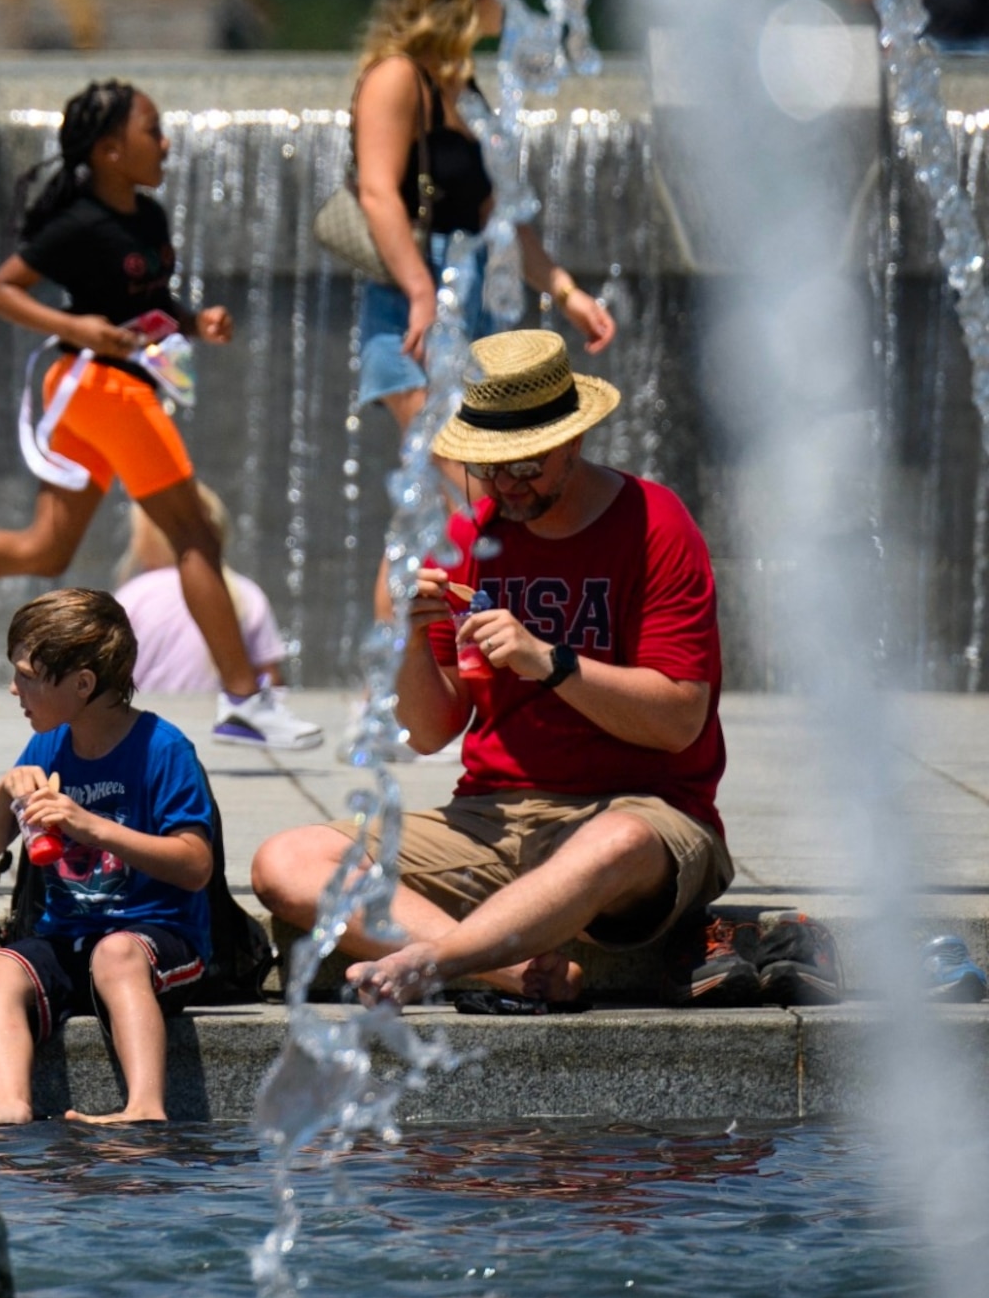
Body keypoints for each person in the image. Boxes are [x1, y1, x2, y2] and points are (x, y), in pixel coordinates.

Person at [0, 78, 322, 752]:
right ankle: (243, 699)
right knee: (195, 535)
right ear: (111, 149)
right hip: (100, 387)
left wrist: (196, 322)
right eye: (152, 130)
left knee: (46, 547)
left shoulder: (148, 216)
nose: (165, 142)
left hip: (98, 390)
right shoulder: (78, 221)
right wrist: (78, 327)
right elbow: (3, 292)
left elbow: (148, 302)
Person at [249, 331, 731, 1009]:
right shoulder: (471, 539)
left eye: (524, 466)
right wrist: (412, 641)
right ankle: (513, 971)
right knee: (286, 862)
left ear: (573, 440)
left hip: (645, 812)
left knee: (614, 842)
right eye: (489, 466)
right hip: (493, 817)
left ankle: (433, 961)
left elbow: (679, 720)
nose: (504, 484)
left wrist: (551, 662)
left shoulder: (656, 524)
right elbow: (428, 733)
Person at [349, 0, 617, 617]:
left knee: (431, 504)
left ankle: (393, 684)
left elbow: (507, 217)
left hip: (463, 310)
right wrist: (417, 293)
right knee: (468, 485)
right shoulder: (396, 77)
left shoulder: (464, 91)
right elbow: (378, 191)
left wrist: (565, 292)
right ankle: (414, 672)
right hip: (409, 317)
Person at [0, 589, 219, 1127]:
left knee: (116, 955)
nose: (14, 688)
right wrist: (6, 788)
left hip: (156, 940)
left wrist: (90, 826)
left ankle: (145, 1106)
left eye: (27, 675)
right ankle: (11, 1104)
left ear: (82, 684)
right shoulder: (48, 746)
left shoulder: (162, 749)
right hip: (68, 937)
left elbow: (196, 865)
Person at [114, 488, 288, 697]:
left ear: (144, 541)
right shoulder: (246, 594)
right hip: (222, 722)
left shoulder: (132, 597)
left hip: (147, 723)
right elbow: (272, 680)